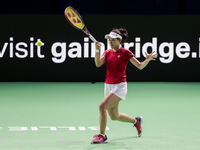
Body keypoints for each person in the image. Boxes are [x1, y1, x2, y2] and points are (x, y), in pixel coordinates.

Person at [91, 28, 158, 144]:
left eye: (112, 40)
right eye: (109, 40)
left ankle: (102, 136)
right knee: (114, 116)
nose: (110, 42)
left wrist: (147, 60)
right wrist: (97, 51)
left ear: (119, 40)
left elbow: (140, 66)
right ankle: (136, 121)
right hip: (108, 86)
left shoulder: (125, 53)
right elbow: (98, 64)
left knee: (102, 106)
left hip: (120, 87)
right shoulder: (107, 52)